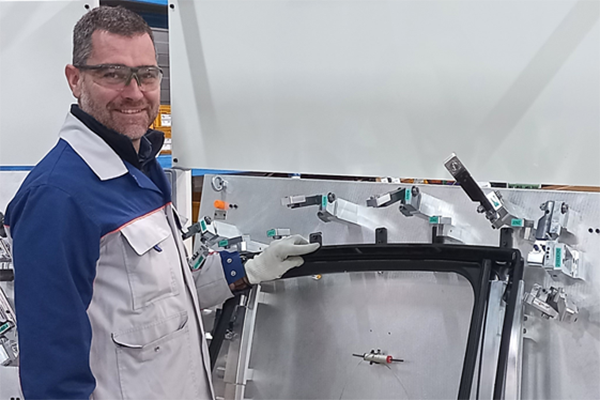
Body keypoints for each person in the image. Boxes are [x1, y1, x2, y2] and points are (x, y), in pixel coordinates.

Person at [3, 6, 318, 400]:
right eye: (113, 74)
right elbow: (53, 378)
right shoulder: (58, 197)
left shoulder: (142, 166)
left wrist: (250, 269)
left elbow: (159, 300)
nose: (135, 92)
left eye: (147, 75)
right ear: (75, 79)